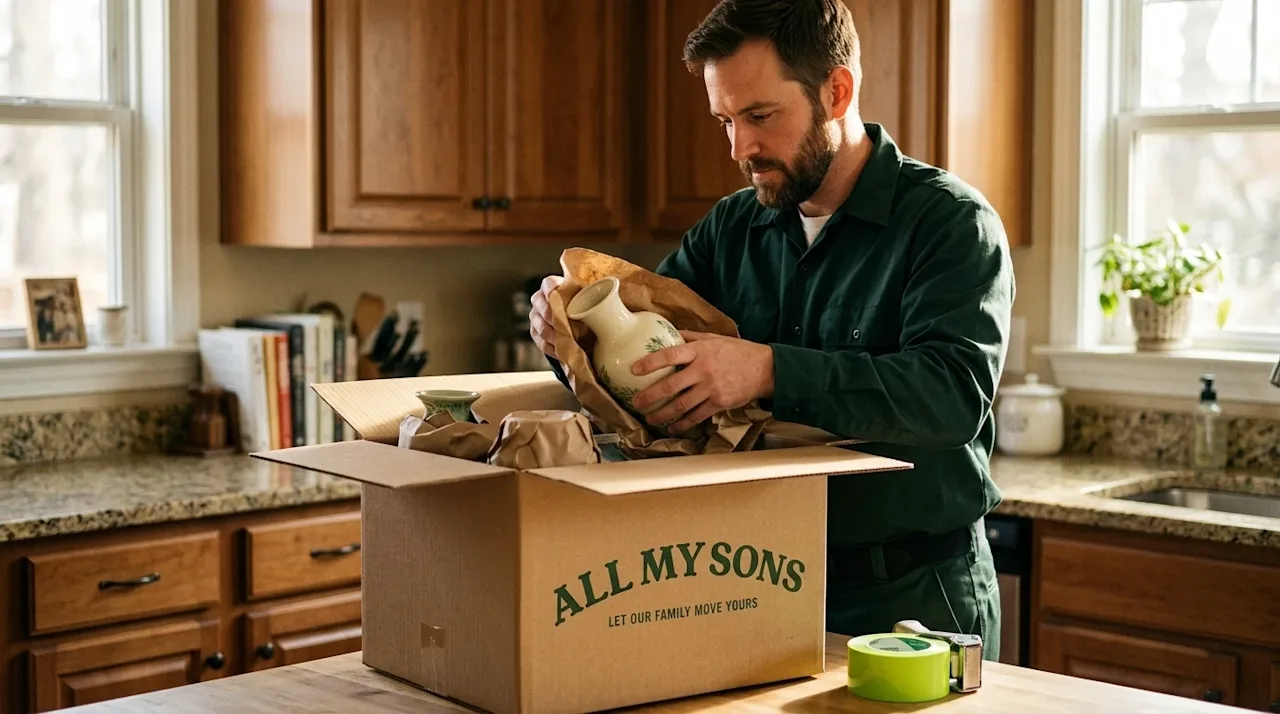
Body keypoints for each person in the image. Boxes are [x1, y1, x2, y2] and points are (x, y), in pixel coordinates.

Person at [530, 0, 1014, 661]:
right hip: (755, 584)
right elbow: (646, 379)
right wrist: (571, 342)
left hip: (915, 596)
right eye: (726, 121)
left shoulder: (951, 225)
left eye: (760, 117)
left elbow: (952, 397)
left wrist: (767, 370)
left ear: (837, 91)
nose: (739, 148)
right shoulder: (730, 231)